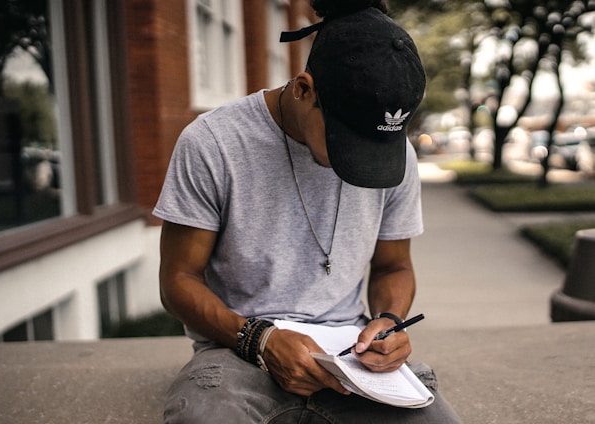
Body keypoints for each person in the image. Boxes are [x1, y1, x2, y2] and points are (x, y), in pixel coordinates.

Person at [154, 0, 462, 422]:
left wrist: (390, 321)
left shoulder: (399, 157)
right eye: (345, 142)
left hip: (351, 358)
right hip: (238, 348)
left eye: (375, 146)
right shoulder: (213, 143)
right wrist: (259, 339)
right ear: (303, 89)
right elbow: (178, 280)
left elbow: (394, 266)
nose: (359, 162)